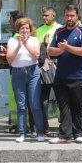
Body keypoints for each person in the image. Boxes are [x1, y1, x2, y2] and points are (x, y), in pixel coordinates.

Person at [48, 4, 82, 144]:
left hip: (79, 75)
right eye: (67, 15)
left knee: (78, 106)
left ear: (77, 16)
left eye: (72, 16)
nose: (69, 18)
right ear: (64, 16)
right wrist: (60, 51)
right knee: (63, 106)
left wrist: (67, 48)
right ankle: (64, 135)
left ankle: (79, 133)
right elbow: (50, 51)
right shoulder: (59, 31)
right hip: (61, 75)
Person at [7, 17, 45, 143]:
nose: (24, 30)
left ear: (30, 29)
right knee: (21, 105)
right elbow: (10, 59)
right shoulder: (12, 40)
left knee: (34, 104)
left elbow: (36, 55)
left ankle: (40, 132)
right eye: (22, 28)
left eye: (27, 28)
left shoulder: (34, 40)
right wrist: (19, 45)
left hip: (32, 71)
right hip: (18, 73)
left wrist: (26, 43)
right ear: (18, 29)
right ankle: (22, 133)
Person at [36, 7, 62, 135]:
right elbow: (38, 50)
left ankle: (62, 125)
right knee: (43, 99)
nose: (44, 18)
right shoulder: (39, 30)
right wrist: (45, 45)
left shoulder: (60, 28)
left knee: (61, 97)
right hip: (43, 66)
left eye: (47, 15)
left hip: (59, 65)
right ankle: (44, 127)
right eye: (43, 15)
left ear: (53, 16)